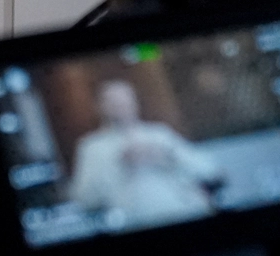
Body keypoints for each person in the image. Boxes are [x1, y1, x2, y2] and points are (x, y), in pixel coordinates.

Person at [69, 80, 224, 230]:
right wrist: (120, 165)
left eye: (125, 101)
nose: (121, 107)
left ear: (135, 102)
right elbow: (84, 199)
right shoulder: (92, 148)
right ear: (100, 107)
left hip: (183, 214)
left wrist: (166, 157)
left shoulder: (159, 134)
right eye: (114, 103)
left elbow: (209, 170)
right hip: (133, 224)